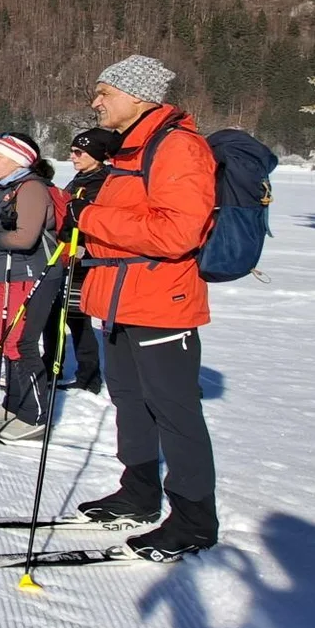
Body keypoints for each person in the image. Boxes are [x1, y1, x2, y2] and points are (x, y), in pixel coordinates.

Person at [71, 55, 220, 561]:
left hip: (161, 302)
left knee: (175, 413)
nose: (95, 101)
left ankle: (194, 521)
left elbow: (178, 232)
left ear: (138, 97)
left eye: (105, 92)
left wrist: (90, 217)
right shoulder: (132, 147)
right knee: (130, 402)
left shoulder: (178, 147)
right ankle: (138, 493)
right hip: (120, 298)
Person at [0, 133, 63, 442]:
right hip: (4, 275)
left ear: (18, 159)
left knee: (22, 343)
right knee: (7, 341)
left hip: (30, 274)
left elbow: (25, 238)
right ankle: (13, 405)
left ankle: (34, 415)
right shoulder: (3, 187)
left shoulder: (32, 187)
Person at [53, 127, 122, 393]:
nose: (73, 156)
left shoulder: (104, 182)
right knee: (67, 315)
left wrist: (80, 240)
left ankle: (89, 376)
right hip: (69, 254)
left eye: (79, 152)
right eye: (72, 151)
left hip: (87, 259)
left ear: (96, 154)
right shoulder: (80, 179)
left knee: (78, 317)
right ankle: (65, 367)